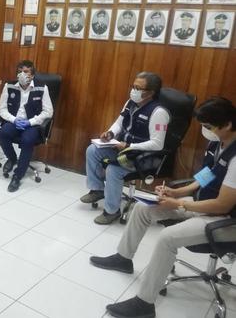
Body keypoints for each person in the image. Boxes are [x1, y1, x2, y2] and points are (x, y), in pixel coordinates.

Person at [89, 97, 236, 318]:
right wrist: (177, 193)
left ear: (227, 125)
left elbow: (223, 204)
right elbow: (205, 177)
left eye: (208, 127)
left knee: (168, 237)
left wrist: (178, 204)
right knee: (142, 209)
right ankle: (123, 258)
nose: (205, 132)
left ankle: (144, 304)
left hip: (226, 219)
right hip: (204, 206)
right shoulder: (218, 143)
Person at [80, 72, 170, 225]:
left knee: (113, 170)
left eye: (138, 88)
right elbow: (119, 123)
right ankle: (97, 190)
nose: (134, 90)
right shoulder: (130, 103)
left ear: (151, 92)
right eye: (133, 86)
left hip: (143, 157)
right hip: (123, 149)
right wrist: (110, 133)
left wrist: (129, 146)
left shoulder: (158, 112)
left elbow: (157, 144)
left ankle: (112, 211)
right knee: (92, 150)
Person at [0, 60, 53, 192]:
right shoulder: (9, 85)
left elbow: (48, 111)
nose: (22, 74)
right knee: (2, 133)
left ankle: (17, 176)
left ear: (32, 75)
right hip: (15, 121)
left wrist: (31, 122)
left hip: (32, 124)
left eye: (26, 71)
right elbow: (2, 109)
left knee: (27, 140)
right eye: (20, 71)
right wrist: (14, 120)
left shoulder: (42, 87)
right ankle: (12, 158)